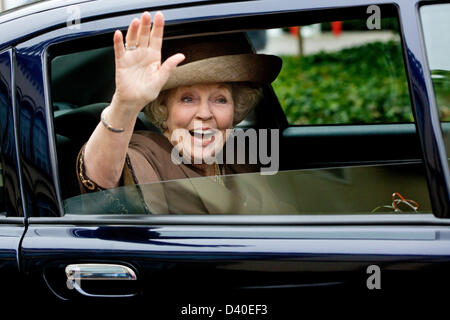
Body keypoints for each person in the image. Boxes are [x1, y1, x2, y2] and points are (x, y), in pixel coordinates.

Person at [76, 11, 282, 200]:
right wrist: (125, 105)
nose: (204, 113)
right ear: (163, 107)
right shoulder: (149, 153)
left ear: (236, 107)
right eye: (187, 99)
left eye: (220, 99)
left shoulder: (239, 157)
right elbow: (100, 178)